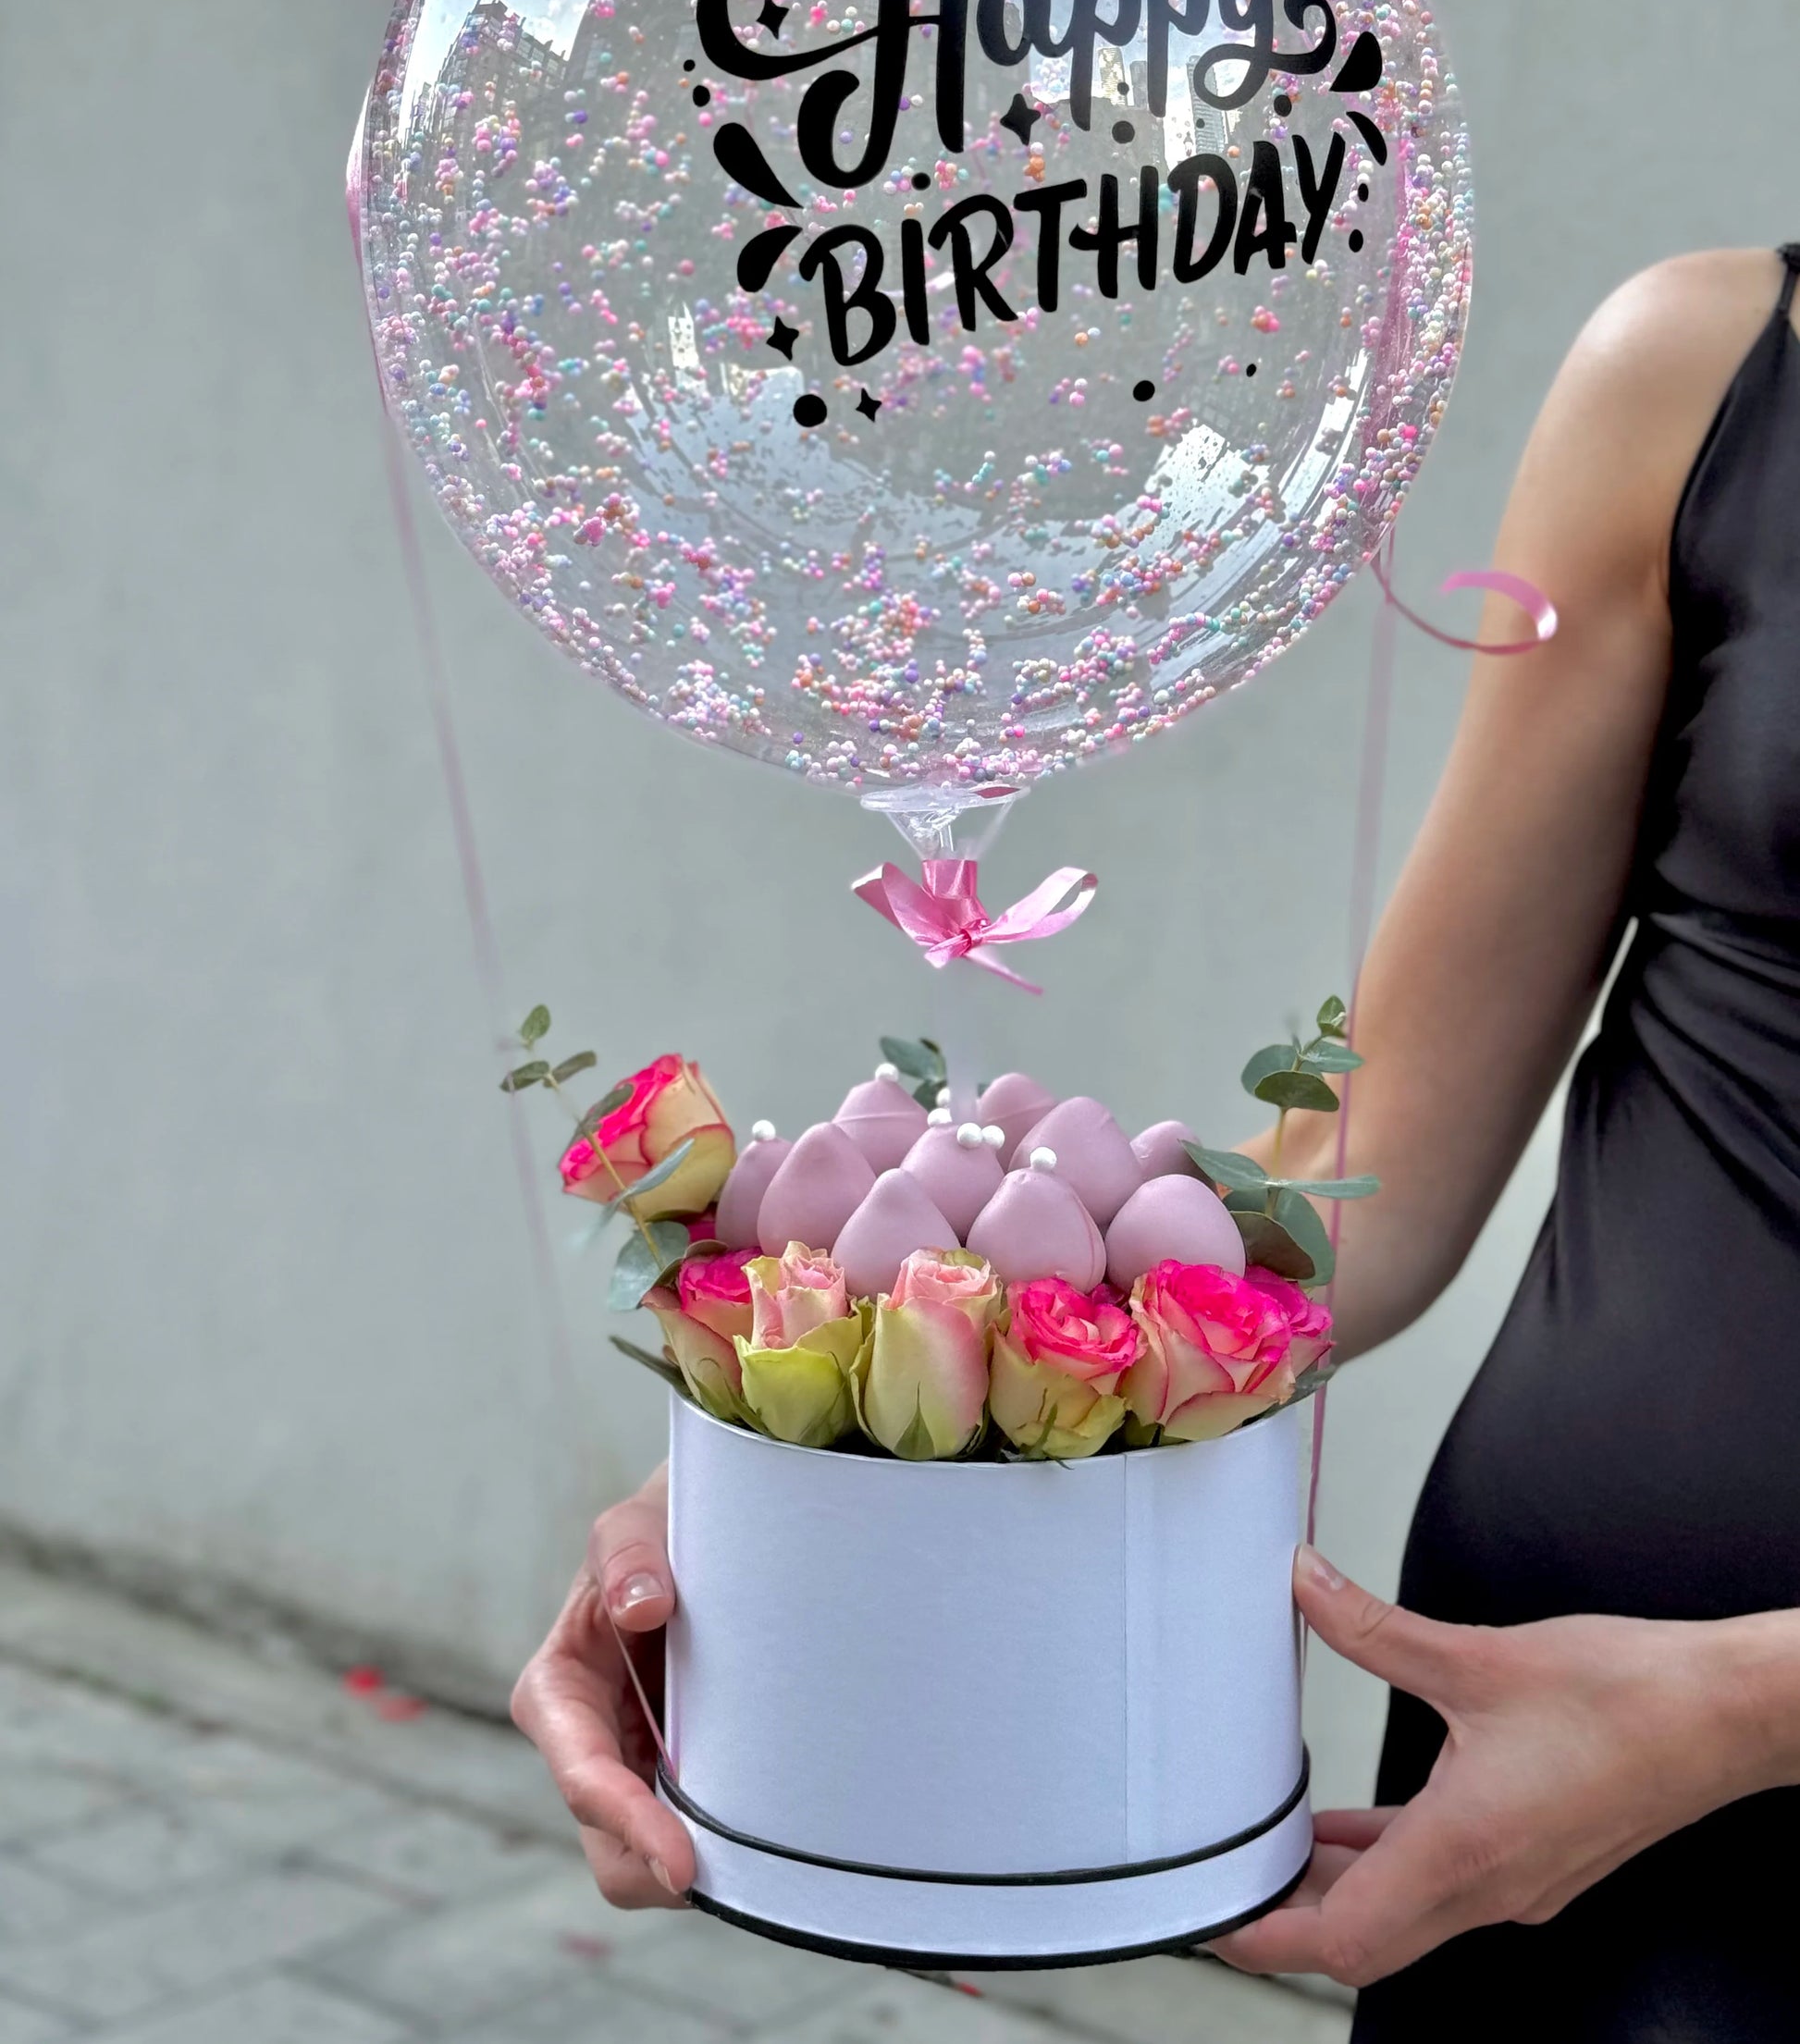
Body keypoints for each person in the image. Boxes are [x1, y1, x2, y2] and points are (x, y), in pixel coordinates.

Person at [512, 247, 1800, 2038]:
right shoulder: (1717, 366)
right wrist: (841, 1461)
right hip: (1550, 1701)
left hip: (1640, 1736)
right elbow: (1373, 1153)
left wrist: (1753, 1703)